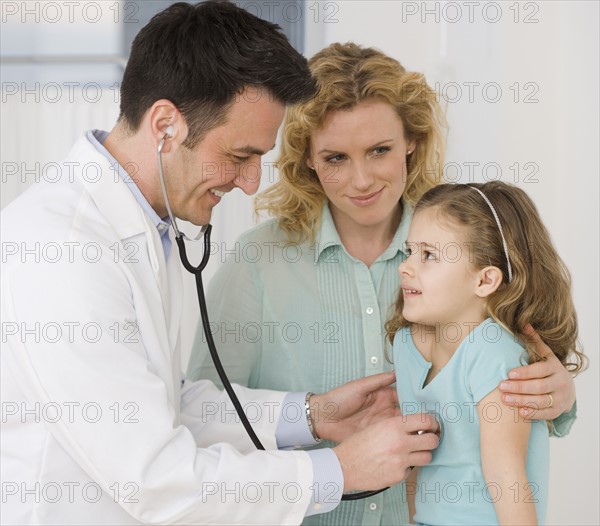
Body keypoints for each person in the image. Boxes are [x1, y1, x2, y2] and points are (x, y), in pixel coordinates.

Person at [0, 4, 443, 525]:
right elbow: (156, 480)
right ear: (165, 125)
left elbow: (167, 407)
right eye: (239, 156)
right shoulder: (67, 254)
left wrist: (310, 415)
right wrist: (338, 471)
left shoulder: (144, 230)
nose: (251, 182)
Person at [187, 43, 579, 526]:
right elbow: (201, 417)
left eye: (380, 150)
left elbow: (511, 370)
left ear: (412, 140)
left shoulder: (471, 246)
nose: (362, 180)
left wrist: (556, 395)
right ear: (307, 159)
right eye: (335, 158)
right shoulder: (256, 263)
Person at [388, 181, 586, 525]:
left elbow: (505, 474)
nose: (406, 266)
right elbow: (414, 459)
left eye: (429, 255)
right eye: (409, 251)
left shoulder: (493, 350)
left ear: (485, 281)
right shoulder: (406, 345)